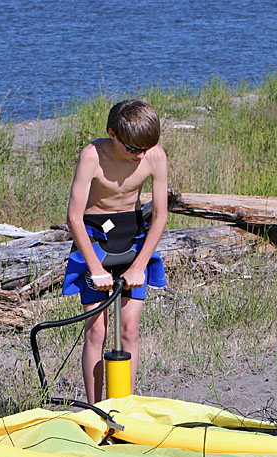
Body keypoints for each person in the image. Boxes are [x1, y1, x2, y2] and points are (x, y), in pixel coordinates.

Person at [62, 99, 168, 404]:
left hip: (132, 238)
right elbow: (73, 216)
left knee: (130, 328)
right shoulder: (92, 155)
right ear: (112, 133)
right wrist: (95, 267)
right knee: (96, 331)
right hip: (94, 239)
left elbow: (160, 215)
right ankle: (96, 411)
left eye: (145, 149)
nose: (139, 156)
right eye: (132, 149)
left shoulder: (154, 156)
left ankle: (125, 409)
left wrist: (139, 265)